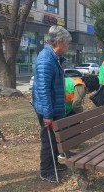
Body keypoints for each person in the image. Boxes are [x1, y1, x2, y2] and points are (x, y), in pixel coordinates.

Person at [32, 25, 72, 182]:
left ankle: (54, 163)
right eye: (68, 43)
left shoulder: (54, 58)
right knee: (48, 141)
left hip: (54, 108)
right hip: (47, 110)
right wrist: (47, 115)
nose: (69, 46)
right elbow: (43, 90)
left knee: (54, 139)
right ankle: (46, 170)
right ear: (60, 42)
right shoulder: (45, 60)